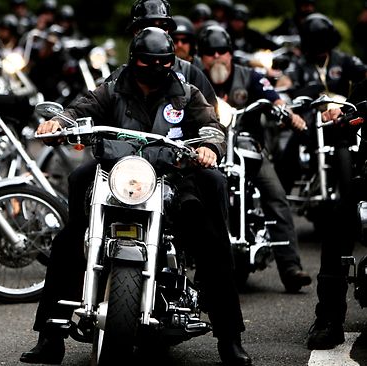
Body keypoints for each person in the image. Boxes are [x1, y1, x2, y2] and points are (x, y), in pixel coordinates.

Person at [20, 27, 252, 366]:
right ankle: (50, 337)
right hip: (118, 172)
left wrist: (207, 146)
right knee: (71, 235)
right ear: (134, 62)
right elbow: (81, 107)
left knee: (211, 239)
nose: (155, 70)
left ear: (171, 63)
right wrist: (59, 122)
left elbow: (210, 125)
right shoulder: (113, 89)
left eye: (163, 63)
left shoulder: (186, 93)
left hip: (170, 173)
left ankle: (229, 337)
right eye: (148, 63)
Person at [197, 25, 312, 293]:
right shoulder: (196, 79)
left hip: (249, 150)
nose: (217, 57)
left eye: (222, 51)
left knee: (275, 194)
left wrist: (287, 113)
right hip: (207, 151)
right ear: (201, 56)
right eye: (210, 52)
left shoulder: (249, 76)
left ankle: (290, 267)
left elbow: (273, 98)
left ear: (231, 54)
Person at [281, 13, 367, 350]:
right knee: (337, 218)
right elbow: (353, 111)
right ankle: (329, 318)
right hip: (363, 176)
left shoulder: (349, 63)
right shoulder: (362, 83)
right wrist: (343, 116)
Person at [119, 0, 218, 109]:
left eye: (163, 26)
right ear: (135, 31)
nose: (156, 32)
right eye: (148, 25)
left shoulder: (191, 73)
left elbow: (212, 120)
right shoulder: (117, 81)